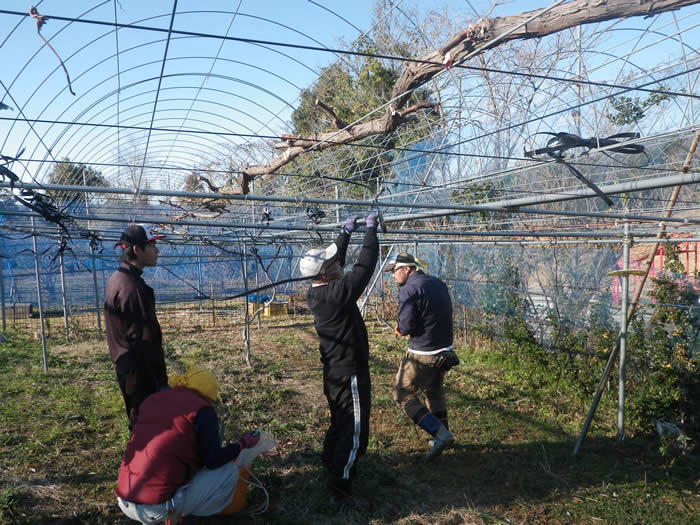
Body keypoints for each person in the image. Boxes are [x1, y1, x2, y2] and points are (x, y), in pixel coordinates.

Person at [116, 365, 263, 524]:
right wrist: (241, 444)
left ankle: (163, 511)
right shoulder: (203, 410)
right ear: (208, 395)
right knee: (229, 472)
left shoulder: (153, 400)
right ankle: (181, 515)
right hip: (154, 509)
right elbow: (212, 460)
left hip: (124, 498)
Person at [300, 213, 379, 506]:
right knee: (355, 431)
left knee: (340, 422)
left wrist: (345, 234)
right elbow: (364, 268)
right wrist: (371, 233)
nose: (338, 265)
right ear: (325, 274)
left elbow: (337, 262)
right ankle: (341, 489)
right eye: (333, 265)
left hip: (335, 372)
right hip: (350, 375)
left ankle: (330, 462)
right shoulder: (336, 294)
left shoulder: (321, 291)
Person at [384, 253, 458, 460]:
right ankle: (444, 434)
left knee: (402, 394)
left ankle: (439, 434)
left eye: (395, 271)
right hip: (444, 350)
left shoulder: (410, 288)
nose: (393, 276)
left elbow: (406, 327)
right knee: (434, 392)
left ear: (407, 269)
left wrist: (399, 328)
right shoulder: (438, 283)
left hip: (423, 353)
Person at [104, 224, 168, 429]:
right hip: (140, 373)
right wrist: (158, 381)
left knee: (141, 422)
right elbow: (143, 339)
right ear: (136, 250)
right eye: (151, 245)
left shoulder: (119, 279)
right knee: (148, 425)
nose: (156, 250)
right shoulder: (132, 288)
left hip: (129, 369)